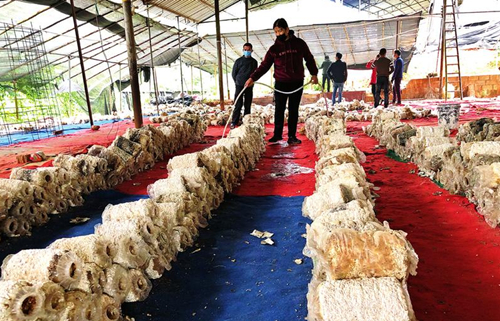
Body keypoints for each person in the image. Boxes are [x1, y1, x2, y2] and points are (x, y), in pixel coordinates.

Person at [245, 18, 318, 145]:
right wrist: (253, 78)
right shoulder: (274, 49)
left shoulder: (299, 44)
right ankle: (277, 135)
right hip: (280, 83)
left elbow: (309, 59)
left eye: (280, 31)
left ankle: (292, 136)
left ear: (287, 30)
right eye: (276, 32)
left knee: (293, 110)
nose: (278, 34)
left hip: (296, 82)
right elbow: (264, 66)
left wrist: (314, 74)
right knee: (279, 109)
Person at [231, 43, 258, 129]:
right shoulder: (238, 61)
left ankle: (246, 121)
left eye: (248, 50)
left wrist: (251, 81)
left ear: (251, 51)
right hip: (239, 85)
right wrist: (237, 82)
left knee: (248, 103)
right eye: (245, 50)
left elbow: (256, 73)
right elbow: (234, 73)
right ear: (243, 50)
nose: (247, 51)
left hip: (249, 86)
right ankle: (234, 122)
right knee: (238, 104)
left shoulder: (254, 62)